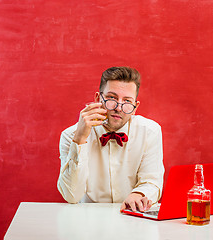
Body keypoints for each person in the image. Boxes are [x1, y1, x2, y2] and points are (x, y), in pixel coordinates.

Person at [57, 66, 164, 212]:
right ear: (97, 99)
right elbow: (71, 195)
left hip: (131, 217)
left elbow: (152, 181)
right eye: (112, 98)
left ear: (135, 107)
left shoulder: (150, 131)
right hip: (87, 222)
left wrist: (138, 194)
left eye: (127, 101)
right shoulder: (70, 136)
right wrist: (80, 140)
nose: (118, 108)